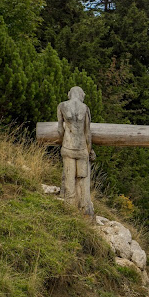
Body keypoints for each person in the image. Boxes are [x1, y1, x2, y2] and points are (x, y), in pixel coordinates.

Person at [57, 86, 95, 217]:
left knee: (69, 178)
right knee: (83, 178)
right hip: (81, 148)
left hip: (68, 146)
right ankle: (85, 208)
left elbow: (60, 130)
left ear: (69, 94)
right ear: (81, 95)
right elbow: (88, 133)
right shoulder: (85, 108)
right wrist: (89, 150)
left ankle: (70, 209)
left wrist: (64, 140)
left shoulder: (62, 106)